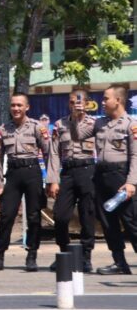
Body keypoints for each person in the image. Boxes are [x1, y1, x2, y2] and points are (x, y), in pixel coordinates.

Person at [0, 93, 47, 272]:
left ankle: (32, 256)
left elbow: (49, 153)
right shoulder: (2, 129)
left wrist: (52, 179)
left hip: (32, 173)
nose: (16, 108)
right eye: (13, 105)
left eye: (19, 105)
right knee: (6, 216)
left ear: (27, 107)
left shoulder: (37, 127)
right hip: (13, 174)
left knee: (33, 217)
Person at [46, 90, 96, 273]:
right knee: (60, 215)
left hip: (87, 170)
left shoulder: (94, 124)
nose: (75, 105)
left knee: (87, 214)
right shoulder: (60, 124)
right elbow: (53, 153)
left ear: (87, 103)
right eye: (71, 102)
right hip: (67, 172)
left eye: (79, 101)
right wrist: (52, 180)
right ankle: (64, 253)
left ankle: (86, 256)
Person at [92, 85, 137, 276]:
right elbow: (78, 133)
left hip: (121, 176)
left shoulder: (130, 124)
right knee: (108, 222)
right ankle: (119, 263)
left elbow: (136, 155)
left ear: (117, 100)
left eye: (105, 99)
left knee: (131, 221)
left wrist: (131, 183)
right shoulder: (100, 123)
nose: (102, 102)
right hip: (102, 176)